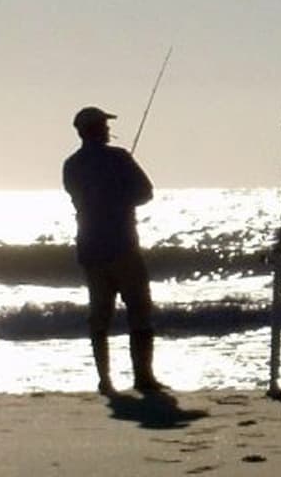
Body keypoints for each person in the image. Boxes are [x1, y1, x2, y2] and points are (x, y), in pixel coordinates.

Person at [62, 105, 164, 395]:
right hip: (122, 244)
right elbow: (146, 192)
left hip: (90, 246)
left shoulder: (71, 165)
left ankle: (104, 380)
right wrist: (121, 198)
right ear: (95, 129)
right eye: (104, 125)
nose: (108, 129)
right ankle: (143, 378)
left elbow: (79, 196)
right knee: (139, 310)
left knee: (100, 315)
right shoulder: (119, 158)